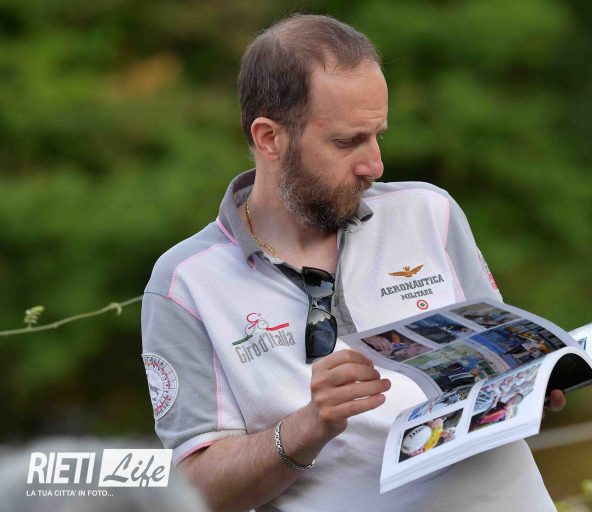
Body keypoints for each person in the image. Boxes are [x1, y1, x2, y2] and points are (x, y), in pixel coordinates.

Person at [141, 13, 565, 512]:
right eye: (347, 142)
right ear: (269, 138)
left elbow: (502, 365)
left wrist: (535, 383)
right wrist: (307, 427)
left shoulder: (431, 211)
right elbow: (196, 489)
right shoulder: (186, 283)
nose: (375, 165)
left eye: (378, 134)